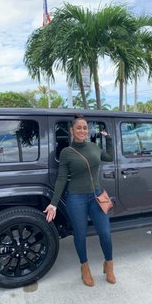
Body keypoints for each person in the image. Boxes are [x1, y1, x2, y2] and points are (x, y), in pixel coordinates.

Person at [44, 114, 116, 287]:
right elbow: (61, 179)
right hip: (76, 197)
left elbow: (110, 158)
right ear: (72, 130)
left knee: (105, 233)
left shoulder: (94, 147)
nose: (82, 131)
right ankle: (84, 267)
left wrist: (109, 139)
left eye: (85, 128)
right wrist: (53, 203)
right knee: (80, 234)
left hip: (97, 196)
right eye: (79, 128)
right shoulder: (66, 152)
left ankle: (109, 264)